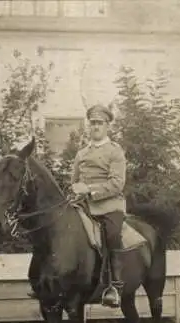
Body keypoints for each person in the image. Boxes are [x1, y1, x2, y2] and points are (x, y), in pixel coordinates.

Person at [71, 103, 126, 306]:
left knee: (112, 235)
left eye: (99, 123)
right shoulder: (81, 154)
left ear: (107, 126)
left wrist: (89, 190)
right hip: (83, 205)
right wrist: (75, 191)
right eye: (92, 123)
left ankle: (115, 287)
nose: (95, 127)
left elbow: (117, 184)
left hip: (110, 206)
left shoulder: (115, 152)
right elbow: (74, 181)